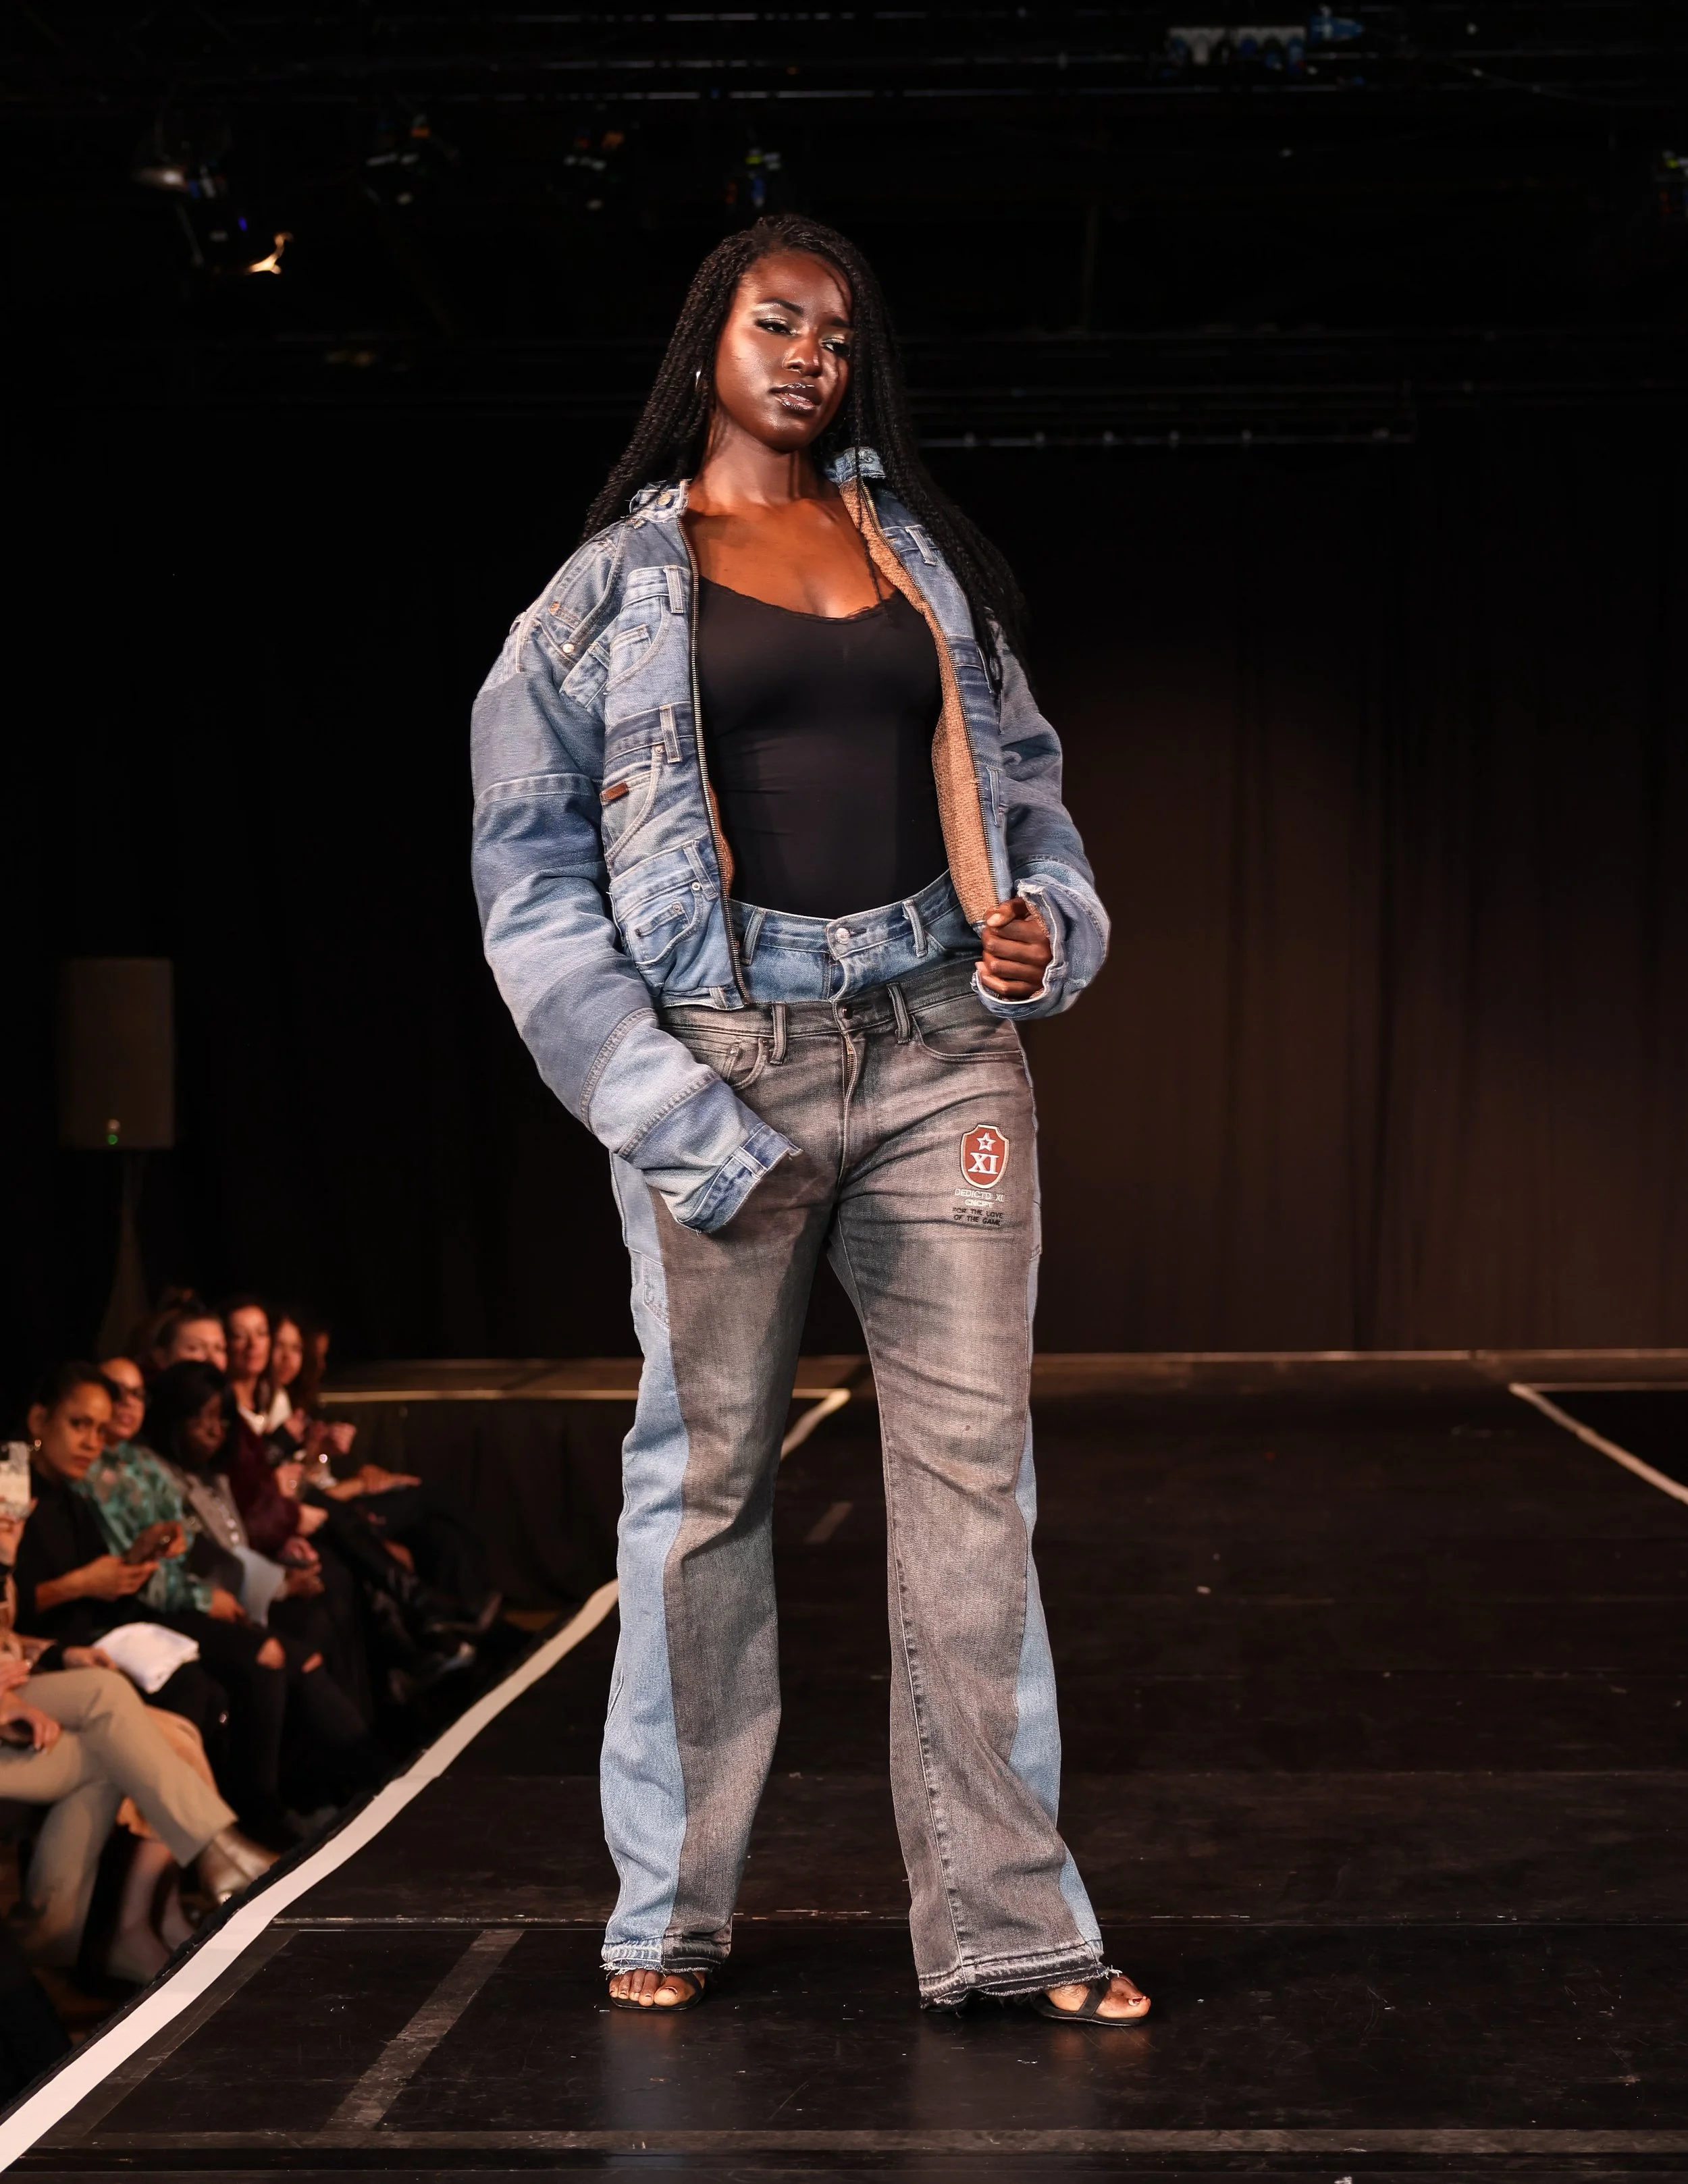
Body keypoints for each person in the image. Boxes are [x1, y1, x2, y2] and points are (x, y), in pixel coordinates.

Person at [470, 214, 1145, 2025]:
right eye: (777, 323)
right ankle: (669, 1908)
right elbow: (528, 884)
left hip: (941, 1046)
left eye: (839, 338)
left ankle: (1009, 1924)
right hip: (726, 1059)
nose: (809, 358)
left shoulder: (922, 562)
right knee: (703, 1493)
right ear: (710, 337)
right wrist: (660, 1103)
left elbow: (1032, 791)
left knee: (973, 1496)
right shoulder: (608, 590)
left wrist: (1042, 924)